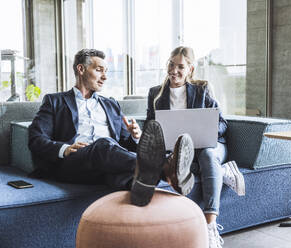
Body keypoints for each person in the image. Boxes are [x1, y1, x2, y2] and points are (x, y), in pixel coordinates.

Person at [28, 48, 195, 207]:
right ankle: (166, 168)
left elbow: (122, 145)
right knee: (104, 145)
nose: (105, 77)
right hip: (74, 162)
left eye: (106, 71)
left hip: (106, 163)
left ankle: (140, 187)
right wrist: (64, 149)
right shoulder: (55, 101)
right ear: (81, 69)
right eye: (99, 70)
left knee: (121, 174)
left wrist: (135, 136)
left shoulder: (111, 104)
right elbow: (36, 139)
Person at [146, 46, 245, 248]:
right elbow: (150, 125)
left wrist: (206, 132)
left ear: (190, 69)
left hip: (210, 145)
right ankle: (223, 170)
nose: (174, 71)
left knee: (208, 155)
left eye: (180, 67)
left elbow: (223, 123)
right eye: (171, 65)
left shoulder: (202, 89)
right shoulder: (156, 93)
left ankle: (210, 225)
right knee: (178, 158)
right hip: (178, 149)